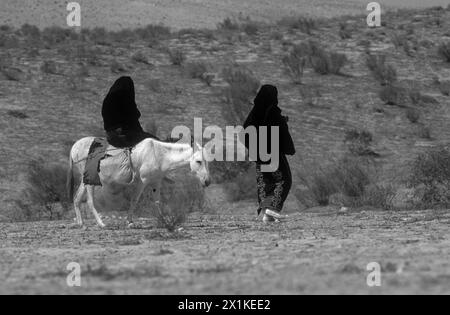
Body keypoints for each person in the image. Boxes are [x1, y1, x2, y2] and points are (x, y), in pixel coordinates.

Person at [243, 85, 296, 223]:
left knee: (265, 182)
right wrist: (288, 148)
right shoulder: (273, 112)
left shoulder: (254, 113)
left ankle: (266, 214)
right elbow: (279, 131)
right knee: (284, 179)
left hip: (258, 154)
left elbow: (246, 131)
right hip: (272, 154)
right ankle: (273, 207)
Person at [102, 76, 159, 148]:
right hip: (124, 135)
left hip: (111, 134)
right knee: (155, 142)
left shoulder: (108, 100)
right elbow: (134, 115)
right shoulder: (124, 98)